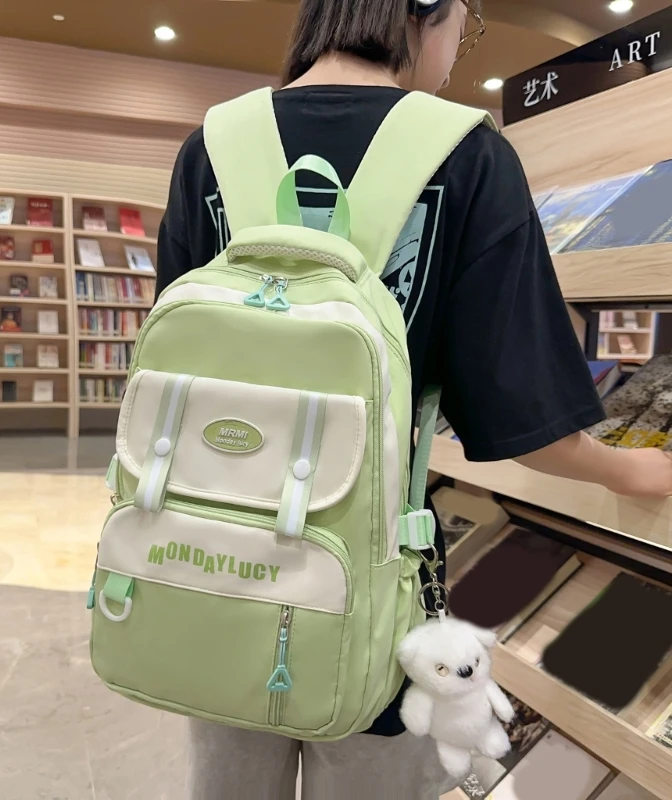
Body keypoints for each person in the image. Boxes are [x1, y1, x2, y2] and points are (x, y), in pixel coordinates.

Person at [155, 1, 672, 796]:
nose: (458, 55)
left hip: (214, 557)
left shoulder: (212, 147)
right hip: (373, 576)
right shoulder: (467, 155)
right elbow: (523, 417)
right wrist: (638, 473)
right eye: (466, 27)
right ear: (423, 12)